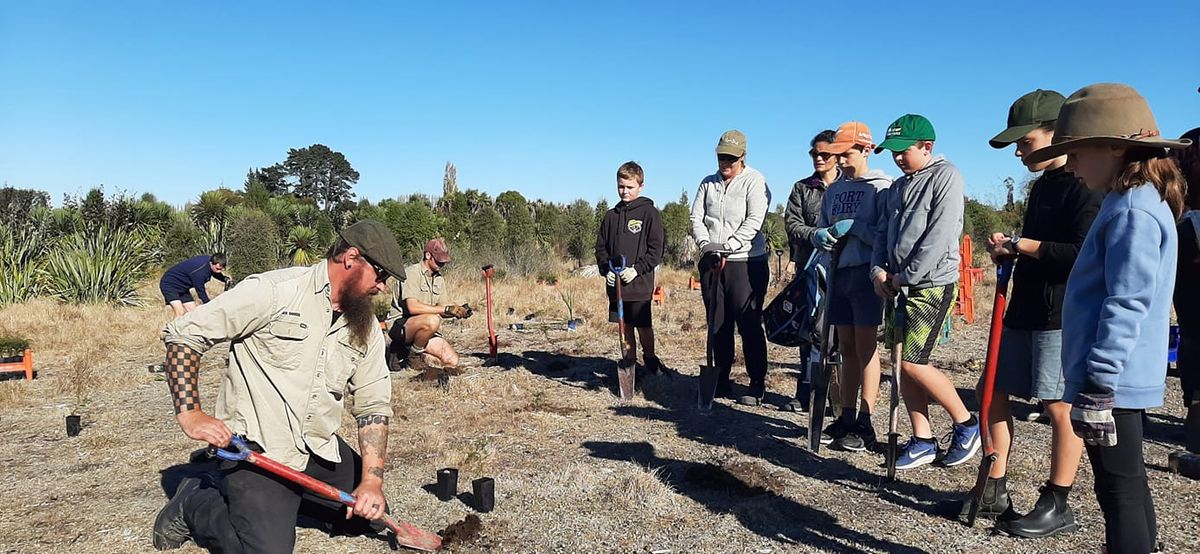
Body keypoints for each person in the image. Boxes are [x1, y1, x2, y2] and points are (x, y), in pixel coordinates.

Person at [152, 219, 406, 553]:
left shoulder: (365, 325)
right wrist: (190, 413)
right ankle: (196, 502)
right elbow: (184, 334)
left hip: (316, 447)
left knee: (370, 514)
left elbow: (373, 404)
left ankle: (284, 501)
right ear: (351, 258)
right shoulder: (273, 291)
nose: (383, 287)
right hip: (258, 449)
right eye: (381, 275)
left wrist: (372, 481)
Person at [1024, 83, 1189, 554]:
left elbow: (1127, 300)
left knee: (1118, 491)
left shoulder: (1133, 210)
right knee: (1125, 484)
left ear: (1116, 147)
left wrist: (1098, 381)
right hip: (1115, 375)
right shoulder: (1130, 200)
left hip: (1112, 380)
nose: (1071, 164)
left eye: (1077, 152)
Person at [964, 90, 1105, 535]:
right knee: (993, 392)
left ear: (1056, 133)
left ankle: (1058, 500)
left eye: (1025, 141)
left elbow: (1083, 253)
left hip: (1060, 314)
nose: (1020, 152)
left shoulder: (1085, 188)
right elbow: (1038, 248)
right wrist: (1010, 253)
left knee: (1058, 405)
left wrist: (1022, 245)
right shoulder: (1042, 186)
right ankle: (994, 484)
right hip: (1023, 306)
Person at [871, 114, 980, 470]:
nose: (898, 158)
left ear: (926, 147)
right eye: (893, 153)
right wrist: (878, 270)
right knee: (901, 362)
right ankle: (922, 438)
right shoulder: (896, 188)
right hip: (895, 285)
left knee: (913, 361)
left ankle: (966, 423)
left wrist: (906, 276)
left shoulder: (945, 177)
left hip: (930, 285)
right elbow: (882, 233)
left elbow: (940, 235)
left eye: (905, 151)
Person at [811, 121, 891, 451]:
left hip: (866, 273)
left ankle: (866, 418)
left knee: (865, 346)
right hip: (838, 272)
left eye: (846, 154)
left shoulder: (881, 188)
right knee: (844, 347)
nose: (841, 161)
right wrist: (821, 237)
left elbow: (884, 237)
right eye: (836, 155)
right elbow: (821, 227)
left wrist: (856, 228)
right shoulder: (834, 191)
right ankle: (845, 415)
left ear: (865, 150)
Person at [691, 129, 772, 406]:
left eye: (731, 159)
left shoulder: (755, 181)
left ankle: (757, 381)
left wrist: (731, 245)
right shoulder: (707, 183)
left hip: (746, 263)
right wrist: (706, 245)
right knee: (718, 323)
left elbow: (754, 220)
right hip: (712, 260)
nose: (725, 163)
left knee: (748, 324)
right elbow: (697, 217)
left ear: (743, 157)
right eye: (722, 157)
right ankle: (721, 378)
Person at [780, 129, 840, 412]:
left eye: (824, 154)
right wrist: (814, 234)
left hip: (842, 269)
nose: (818, 158)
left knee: (837, 334)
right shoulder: (802, 188)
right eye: (814, 153)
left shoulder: (847, 187)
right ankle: (805, 391)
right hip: (809, 266)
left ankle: (835, 396)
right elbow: (791, 223)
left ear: (837, 155)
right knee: (808, 330)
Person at [595, 161, 667, 375]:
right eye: (621, 187)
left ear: (640, 186)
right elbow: (601, 248)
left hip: (639, 285)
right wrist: (606, 269)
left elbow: (656, 250)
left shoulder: (649, 213)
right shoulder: (611, 216)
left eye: (629, 187)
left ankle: (650, 359)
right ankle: (630, 364)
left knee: (643, 326)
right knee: (624, 326)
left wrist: (636, 269)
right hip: (616, 286)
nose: (624, 191)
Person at [387, 239, 472, 371]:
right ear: (428, 255)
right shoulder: (411, 273)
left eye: (444, 261)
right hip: (400, 326)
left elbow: (443, 310)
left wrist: (456, 312)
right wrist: (446, 309)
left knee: (452, 360)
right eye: (439, 260)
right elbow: (412, 307)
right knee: (432, 320)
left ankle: (409, 352)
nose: (442, 264)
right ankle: (408, 353)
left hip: (425, 328)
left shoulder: (439, 279)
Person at [1172, 126, 1200, 453]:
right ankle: (1193, 408)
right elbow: (1170, 191)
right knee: (1192, 337)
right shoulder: (1187, 144)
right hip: (1190, 261)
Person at [159, 253, 233, 318]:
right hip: (170, 285)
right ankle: (172, 333)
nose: (219, 271)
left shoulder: (211, 262)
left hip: (183, 287)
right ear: (211, 263)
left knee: (193, 314)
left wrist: (224, 279)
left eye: (221, 269)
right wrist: (209, 305)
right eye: (217, 268)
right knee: (180, 312)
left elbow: (215, 272)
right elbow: (200, 291)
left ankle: (189, 333)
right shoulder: (200, 272)